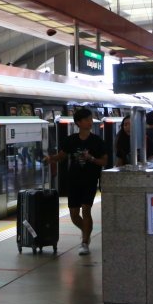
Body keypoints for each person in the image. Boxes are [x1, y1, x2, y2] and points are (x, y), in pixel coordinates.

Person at [46, 107, 108, 255]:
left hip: (90, 180)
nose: (90, 121)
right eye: (87, 119)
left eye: (90, 119)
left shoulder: (97, 141)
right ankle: (86, 231)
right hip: (74, 180)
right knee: (74, 214)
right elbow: (62, 156)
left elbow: (104, 161)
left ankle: (84, 242)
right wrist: (51, 159)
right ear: (78, 123)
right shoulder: (71, 140)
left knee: (86, 210)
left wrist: (91, 158)